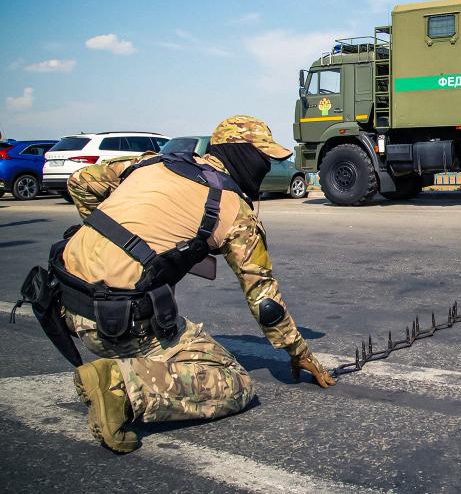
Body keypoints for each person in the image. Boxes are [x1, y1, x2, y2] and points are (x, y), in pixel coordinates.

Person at [39, 115, 334, 453]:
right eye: (262, 157)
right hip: (116, 323)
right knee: (234, 383)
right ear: (242, 154)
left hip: (64, 298)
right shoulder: (232, 209)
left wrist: (110, 241)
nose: (265, 165)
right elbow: (264, 300)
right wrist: (298, 351)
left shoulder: (151, 162)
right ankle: (119, 386)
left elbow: (80, 181)